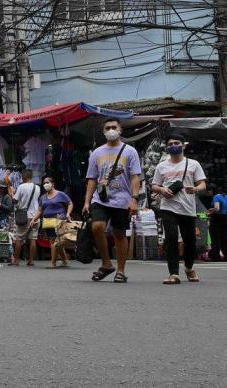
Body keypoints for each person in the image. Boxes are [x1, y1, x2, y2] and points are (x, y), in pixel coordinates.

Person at [83, 119, 142, 283]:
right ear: (103, 132)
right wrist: (87, 201)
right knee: (97, 226)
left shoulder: (130, 151)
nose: (111, 130)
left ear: (120, 130)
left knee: (119, 233)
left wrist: (134, 199)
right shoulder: (97, 153)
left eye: (113, 127)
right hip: (100, 198)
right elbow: (92, 179)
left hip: (122, 200)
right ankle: (106, 263)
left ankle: (121, 270)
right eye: (107, 128)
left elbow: (135, 176)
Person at [151, 135, 206, 284]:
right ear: (166, 148)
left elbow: (202, 184)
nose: (173, 145)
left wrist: (195, 189)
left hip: (188, 208)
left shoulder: (193, 164)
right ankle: (173, 273)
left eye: (176, 143)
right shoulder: (162, 166)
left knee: (189, 241)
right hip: (168, 207)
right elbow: (154, 185)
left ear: (183, 146)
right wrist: (162, 190)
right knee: (171, 238)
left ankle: (189, 268)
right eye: (170, 144)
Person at [30, 176, 72, 268]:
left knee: (54, 241)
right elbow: (40, 210)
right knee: (57, 242)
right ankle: (65, 260)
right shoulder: (43, 197)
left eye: (47, 182)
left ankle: (53, 263)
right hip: (48, 221)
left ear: (53, 184)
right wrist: (34, 219)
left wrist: (68, 214)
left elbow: (70, 203)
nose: (45, 184)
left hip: (59, 220)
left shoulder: (61, 194)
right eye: (44, 183)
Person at [12, 169, 40, 266]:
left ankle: (16, 260)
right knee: (33, 239)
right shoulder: (37, 187)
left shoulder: (21, 187)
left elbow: (15, 201)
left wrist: (12, 194)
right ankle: (31, 260)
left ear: (24, 177)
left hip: (24, 216)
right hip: (35, 216)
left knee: (19, 238)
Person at [211, 184, 227, 262]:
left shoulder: (216, 197)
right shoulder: (226, 197)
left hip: (217, 219)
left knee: (215, 238)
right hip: (226, 219)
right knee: (224, 238)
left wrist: (210, 211)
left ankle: (216, 257)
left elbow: (217, 209)